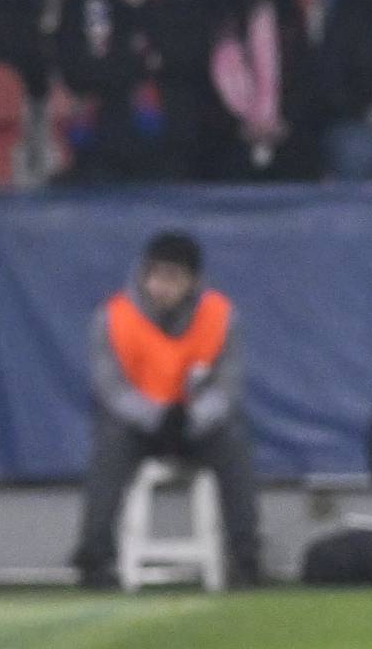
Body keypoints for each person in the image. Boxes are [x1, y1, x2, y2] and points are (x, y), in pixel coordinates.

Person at [73, 232, 261, 589]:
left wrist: (193, 417)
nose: (161, 286)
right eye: (155, 275)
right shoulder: (113, 317)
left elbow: (227, 387)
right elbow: (110, 388)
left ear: (194, 282)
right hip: (137, 425)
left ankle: (245, 555)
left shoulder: (221, 316)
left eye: (173, 277)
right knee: (109, 441)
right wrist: (157, 417)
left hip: (196, 424)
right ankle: (94, 557)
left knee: (234, 437)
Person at [55, 0, 200, 182]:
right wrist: (143, 61)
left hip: (170, 146)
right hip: (102, 145)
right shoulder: (84, 1)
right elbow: (78, 70)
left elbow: (190, 54)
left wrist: (129, 61)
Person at [192, 0, 321, 180]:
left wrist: (285, 123)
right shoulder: (205, 19)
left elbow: (307, 78)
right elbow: (195, 89)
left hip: (286, 135)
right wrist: (237, 128)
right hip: (221, 139)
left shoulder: (287, 12)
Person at [322, 0, 372, 178]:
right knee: (358, 151)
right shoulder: (349, 15)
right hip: (356, 119)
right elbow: (331, 81)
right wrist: (368, 111)